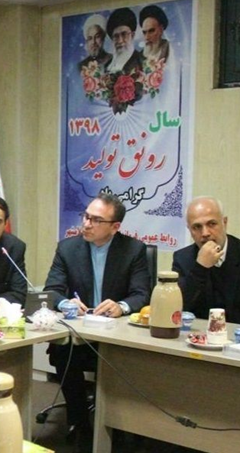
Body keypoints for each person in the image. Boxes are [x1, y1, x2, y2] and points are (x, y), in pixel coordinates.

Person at [44, 193, 150, 451]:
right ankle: (79, 420)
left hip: (116, 336)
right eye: (86, 216)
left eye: (96, 220)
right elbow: (52, 290)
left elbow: (141, 294)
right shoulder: (67, 248)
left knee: (125, 360)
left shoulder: (133, 249)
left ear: (115, 227)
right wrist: (65, 303)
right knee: (61, 351)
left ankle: (119, 424)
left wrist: (121, 306)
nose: (86, 224)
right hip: (80, 334)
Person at [173, 197, 240, 326]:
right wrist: (200, 267)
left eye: (212, 224)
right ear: (190, 230)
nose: (205, 233)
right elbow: (177, 308)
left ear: (224, 223)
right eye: (197, 227)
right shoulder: (183, 258)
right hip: (199, 334)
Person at [104, 7, 143, 74]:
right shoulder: (107, 66)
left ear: (132, 35)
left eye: (124, 34)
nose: (120, 41)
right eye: (116, 36)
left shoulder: (141, 62)